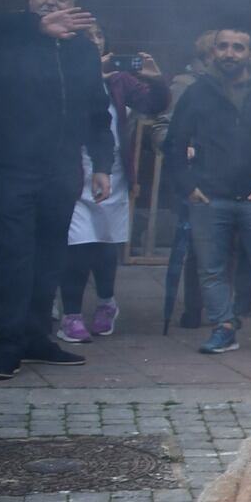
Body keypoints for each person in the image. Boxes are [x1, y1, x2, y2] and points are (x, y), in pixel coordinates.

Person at [0, 0, 112, 378]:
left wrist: (102, 164)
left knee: (49, 258)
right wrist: (34, 28)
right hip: (11, 166)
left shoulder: (82, 49)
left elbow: (98, 109)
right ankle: (5, 344)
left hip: (61, 168)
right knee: (13, 257)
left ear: (73, 1)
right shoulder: (8, 37)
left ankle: (36, 338)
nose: (51, 1)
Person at [164, 27, 251, 358]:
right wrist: (188, 187)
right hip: (210, 197)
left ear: (250, 52)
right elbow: (174, 142)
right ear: (213, 51)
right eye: (223, 47)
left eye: (238, 47)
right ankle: (223, 329)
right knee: (211, 269)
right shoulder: (198, 92)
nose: (230, 53)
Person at [58, 30, 168, 343]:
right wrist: (90, 76)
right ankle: (71, 315)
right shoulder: (62, 68)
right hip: (73, 168)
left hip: (113, 171)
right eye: (85, 37)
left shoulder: (119, 79)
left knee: (106, 242)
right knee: (77, 242)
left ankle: (107, 303)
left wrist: (156, 80)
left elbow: (154, 104)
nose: (93, 41)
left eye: (98, 37)